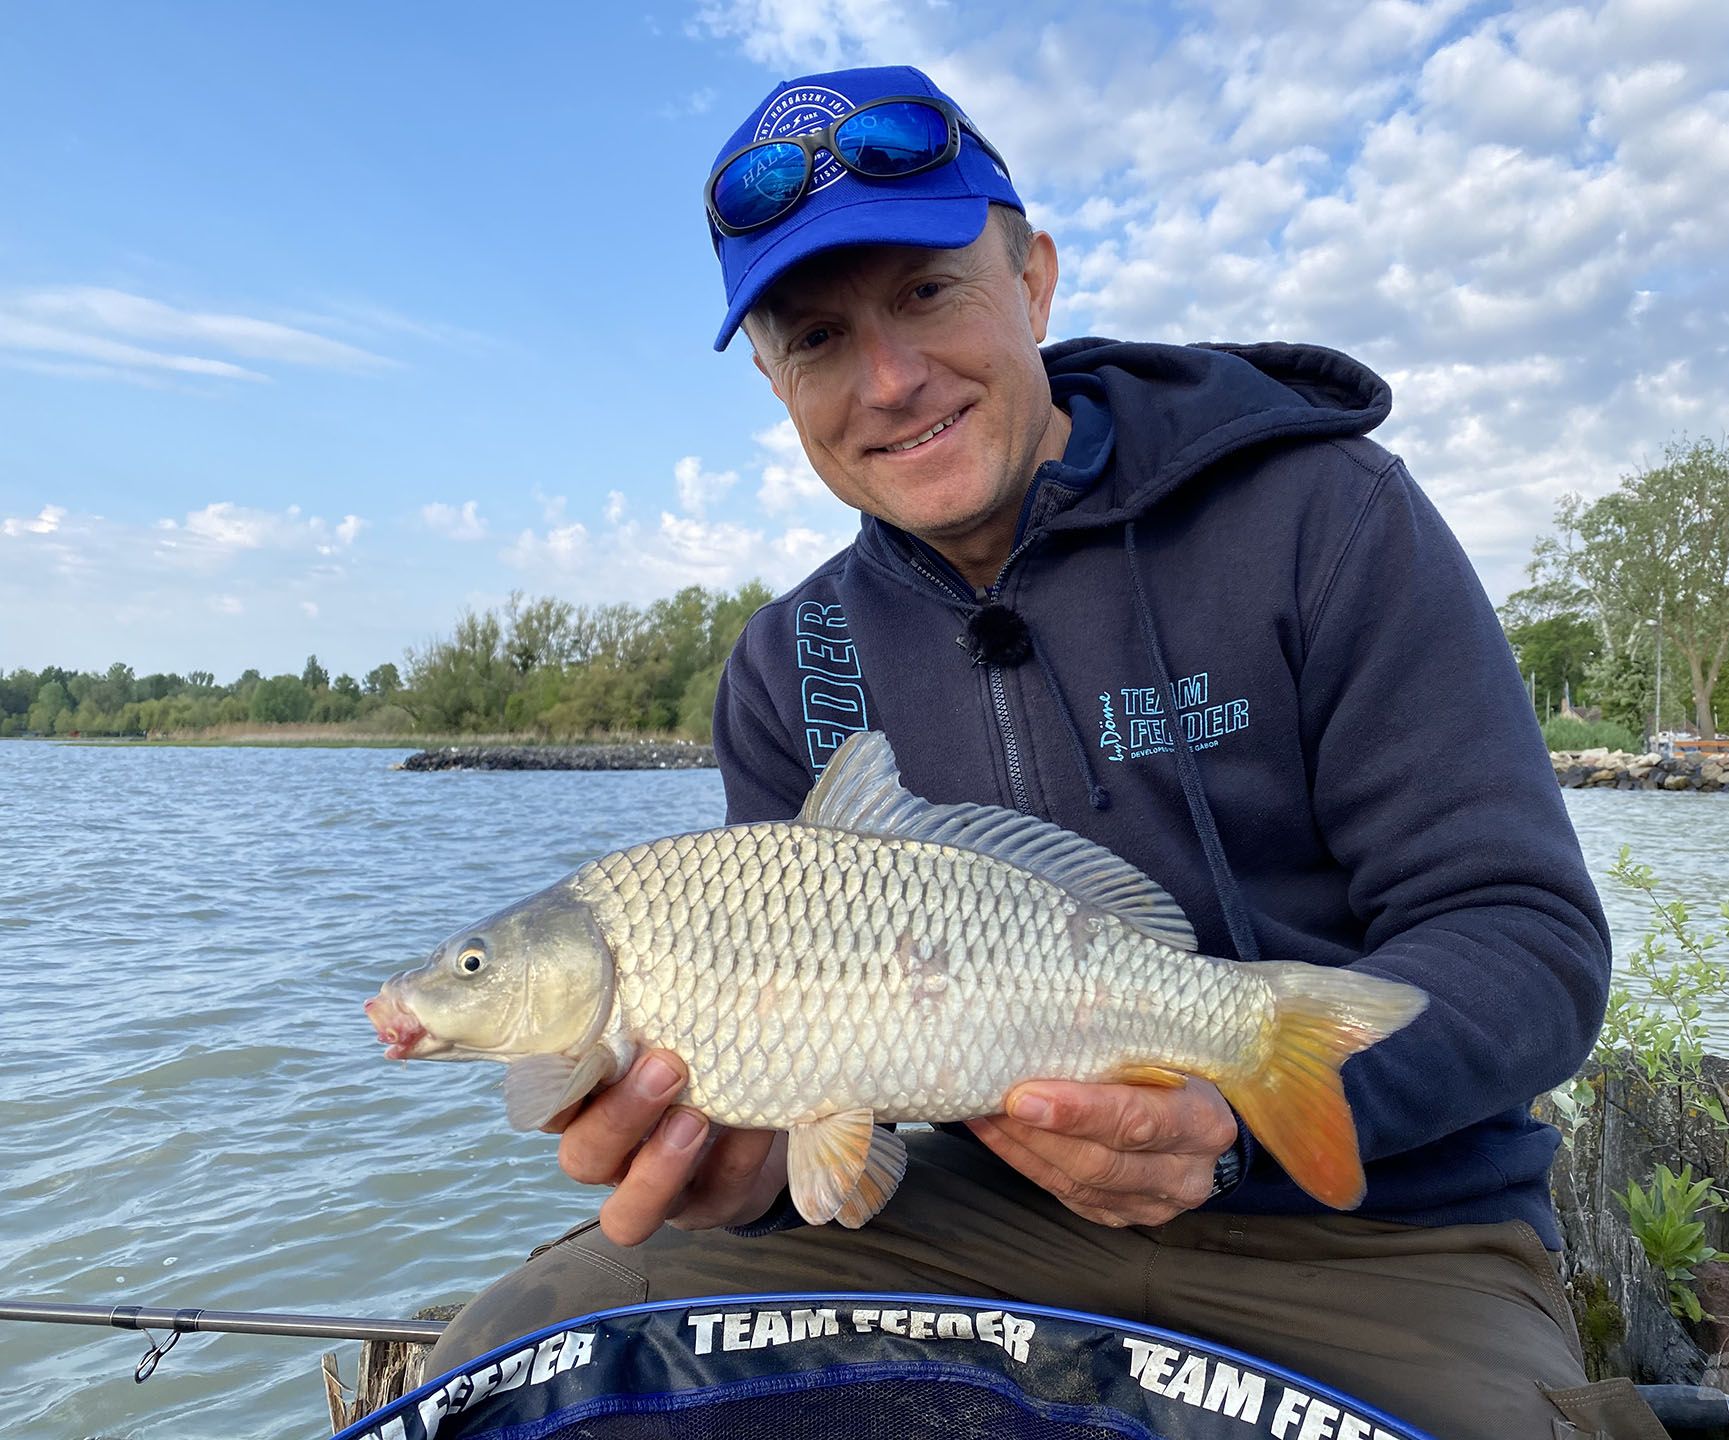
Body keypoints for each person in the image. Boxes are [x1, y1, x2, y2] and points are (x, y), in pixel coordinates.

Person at [429, 66, 1664, 1439]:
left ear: (1034, 281)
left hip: (1370, 1232)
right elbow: (825, 1137)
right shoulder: (794, 666)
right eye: (821, 339)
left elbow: (1526, 938)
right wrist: (745, 1170)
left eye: (928, 294)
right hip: (960, 1226)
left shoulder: (1325, 512)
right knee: (511, 1351)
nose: (890, 381)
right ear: (777, 382)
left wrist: (1241, 1112)